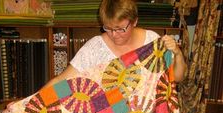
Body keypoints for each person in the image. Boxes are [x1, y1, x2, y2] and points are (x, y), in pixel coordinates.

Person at [45, 0, 186, 87]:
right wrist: (27, 106)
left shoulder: (151, 41)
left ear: (134, 21)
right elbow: (62, 80)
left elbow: (177, 78)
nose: (114, 35)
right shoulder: (95, 48)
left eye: (120, 29)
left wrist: (178, 54)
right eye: (108, 28)